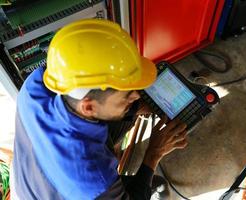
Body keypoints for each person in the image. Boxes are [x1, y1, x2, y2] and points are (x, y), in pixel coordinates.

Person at [10, 19, 188, 200]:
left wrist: (132, 108)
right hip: (49, 193)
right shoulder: (95, 178)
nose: (137, 96)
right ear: (88, 107)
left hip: (27, 176)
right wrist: (153, 154)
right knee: (151, 186)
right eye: (127, 96)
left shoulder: (35, 84)